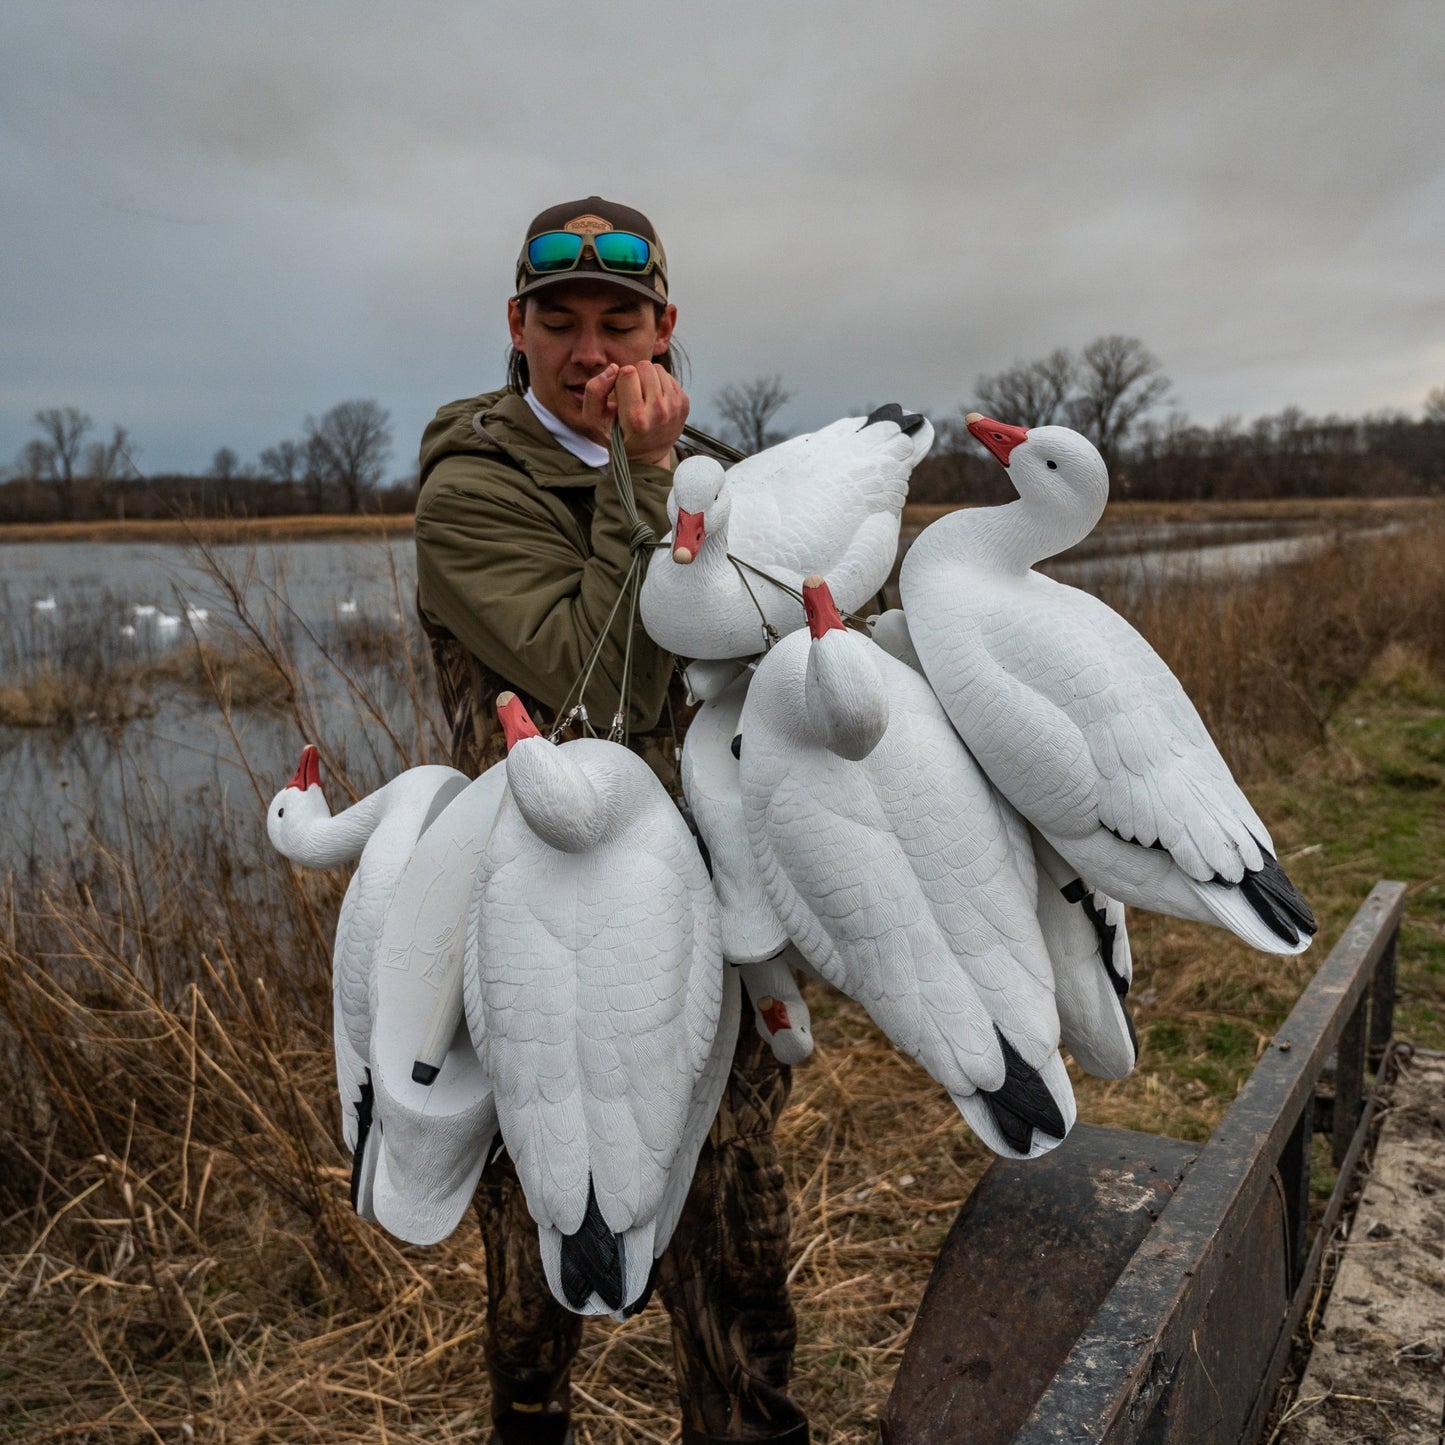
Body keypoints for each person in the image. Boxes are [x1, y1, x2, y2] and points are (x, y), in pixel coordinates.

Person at [414, 197, 809, 1445]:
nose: (590, 355)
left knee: (736, 1241)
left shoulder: (715, 475)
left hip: (699, 924)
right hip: (533, 928)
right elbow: (593, 695)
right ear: (515, 329)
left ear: (663, 327)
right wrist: (642, 482)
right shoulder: (469, 494)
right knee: (541, 1255)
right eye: (559, 323)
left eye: (618, 322)